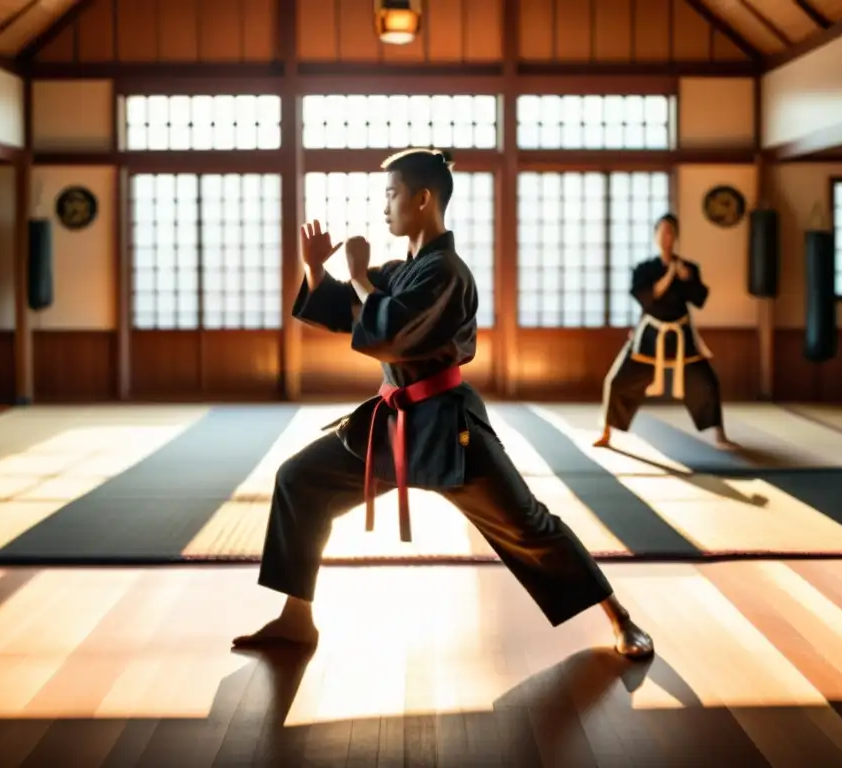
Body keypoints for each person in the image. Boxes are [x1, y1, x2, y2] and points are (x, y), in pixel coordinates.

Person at [233, 148, 653, 659]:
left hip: (448, 426)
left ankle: (620, 617)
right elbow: (348, 311)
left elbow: (393, 332)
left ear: (423, 198)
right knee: (300, 478)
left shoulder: (448, 272)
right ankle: (296, 618)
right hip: (392, 423)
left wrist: (363, 278)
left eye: (391, 194)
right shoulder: (401, 269)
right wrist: (318, 270)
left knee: (527, 525)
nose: (385, 206)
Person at [594, 213, 731, 449]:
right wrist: (670, 274)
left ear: (676, 236)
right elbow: (648, 298)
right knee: (617, 380)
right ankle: (606, 433)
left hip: (681, 336)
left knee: (707, 382)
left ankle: (720, 435)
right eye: (663, 231)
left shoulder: (688, 268)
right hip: (649, 335)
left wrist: (687, 279)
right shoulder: (644, 269)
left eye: (671, 231)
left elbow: (699, 299)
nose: (667, 236)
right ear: (656, 235)